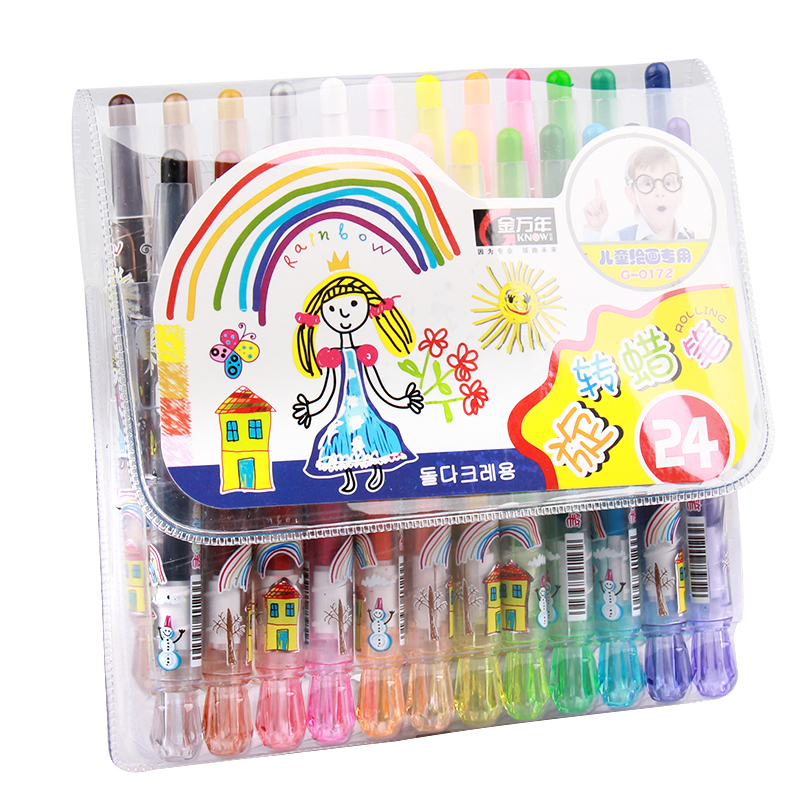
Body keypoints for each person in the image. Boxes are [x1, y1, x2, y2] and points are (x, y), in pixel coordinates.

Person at [292, 263, 423, 495]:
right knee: (341, 442)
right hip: (344, 414)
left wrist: (402, 401)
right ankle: (349, 476)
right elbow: (329, 391)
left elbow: (376, 387)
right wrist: (312, 408)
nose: (344, 313)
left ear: (369, 308)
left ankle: (377, 470)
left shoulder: (365, 353)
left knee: (373, 437)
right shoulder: (333, 357)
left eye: (354, 304)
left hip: (365, 411)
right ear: (321, 315)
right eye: (332, 309)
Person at [583, 145, 694, 242]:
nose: (660, 192)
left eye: (668, 183)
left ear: (681, 192)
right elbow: (585, 259)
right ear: (631, 194)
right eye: (648, 183)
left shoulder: (697, 240)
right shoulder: (617, 242)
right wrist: (593, 230)